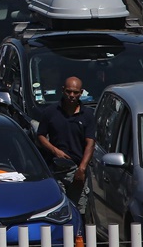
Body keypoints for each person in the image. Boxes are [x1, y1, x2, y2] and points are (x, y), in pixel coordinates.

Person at [37, 76, 95, 220]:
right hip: (56, 169)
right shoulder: (50, 112)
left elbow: (90, 143)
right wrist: (54, 150)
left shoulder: (87, 115)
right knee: (58, 209)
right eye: (69, 92)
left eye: (75, 93)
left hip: (76, 170)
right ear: (63, 91)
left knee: (79, 209)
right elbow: (40, 136)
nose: (72, 96)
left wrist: (82, 168)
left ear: (81, 93)